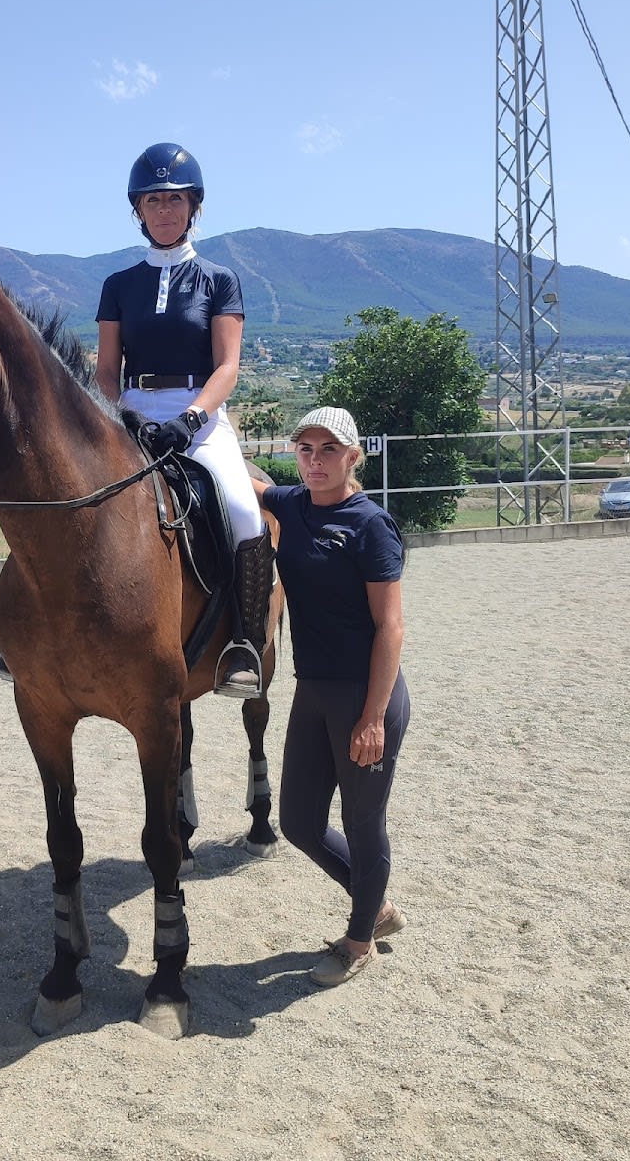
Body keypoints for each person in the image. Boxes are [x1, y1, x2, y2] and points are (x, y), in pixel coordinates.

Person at [94, 142, 274, 697]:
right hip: (131, 415)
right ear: (138, 209)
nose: (164, 209)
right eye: (153, 200)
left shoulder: (219, 279)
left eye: (174, 199)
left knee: (244, 510)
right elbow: (106, 371)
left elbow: (228, 367)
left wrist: (190, 419)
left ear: (193, 206)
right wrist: (124, 416)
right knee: (67, 488)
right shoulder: (118, 285)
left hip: (201, 415)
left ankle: (244, 642)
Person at [252, 406, 410, 986]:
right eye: (305, 449)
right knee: (297, 822)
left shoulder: (370, 525)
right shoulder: (292, 503)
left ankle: (359, 940)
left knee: (363, 823)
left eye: (328, 450)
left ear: (353, 457)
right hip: (313, 690)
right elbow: (242, 479)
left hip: (365, 696)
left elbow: (390, 627)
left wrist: (373, 717)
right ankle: (376, 906)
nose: (315, 461)